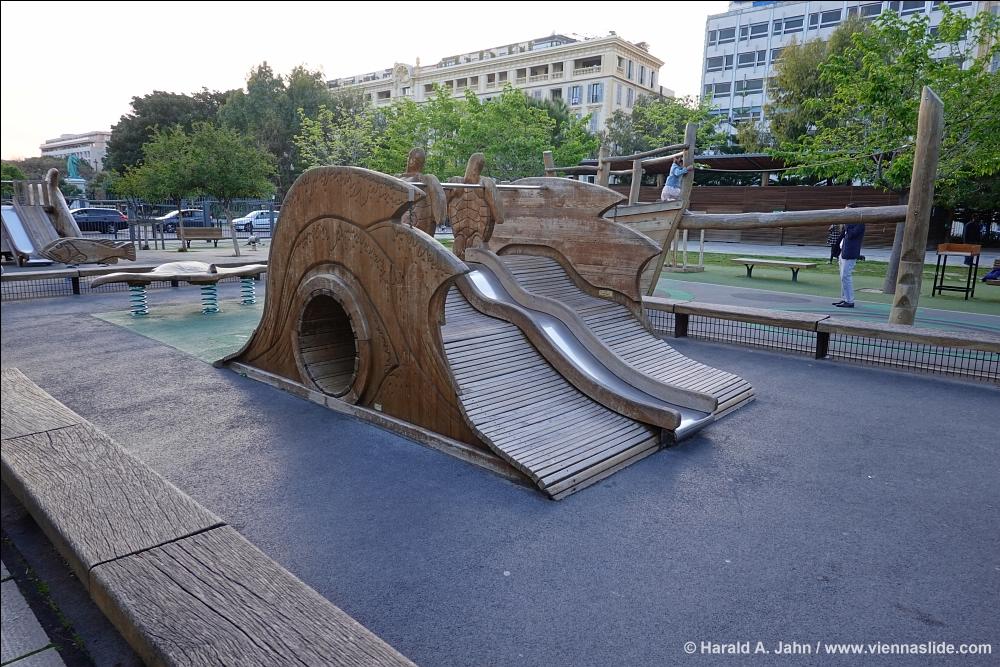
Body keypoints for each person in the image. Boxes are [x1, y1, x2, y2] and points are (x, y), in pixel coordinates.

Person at [833, 207, 865, 308]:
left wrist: (846, 223)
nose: (845, 212)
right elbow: (842, 237)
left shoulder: (860, 224)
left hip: (850, 253)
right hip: (843, 253)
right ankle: (844, 298)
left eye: (848, 210)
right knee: (843, 277)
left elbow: (851, 235)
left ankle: (850, 301)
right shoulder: (848, 224)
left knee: (846, 276)